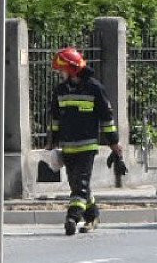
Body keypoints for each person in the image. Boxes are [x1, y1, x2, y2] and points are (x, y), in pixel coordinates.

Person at [45, 47, 121, 235]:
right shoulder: (60, 90)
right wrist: (52, 141)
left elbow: (106, 118)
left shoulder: (95, 88)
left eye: (62, 70)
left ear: (71, 69)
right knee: (78, 185)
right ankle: (92, 216)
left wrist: (114, 144)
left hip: (87, 146)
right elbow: (55, 117)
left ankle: (72, 218)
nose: (60, 74)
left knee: (80, 185)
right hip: (68, 147)